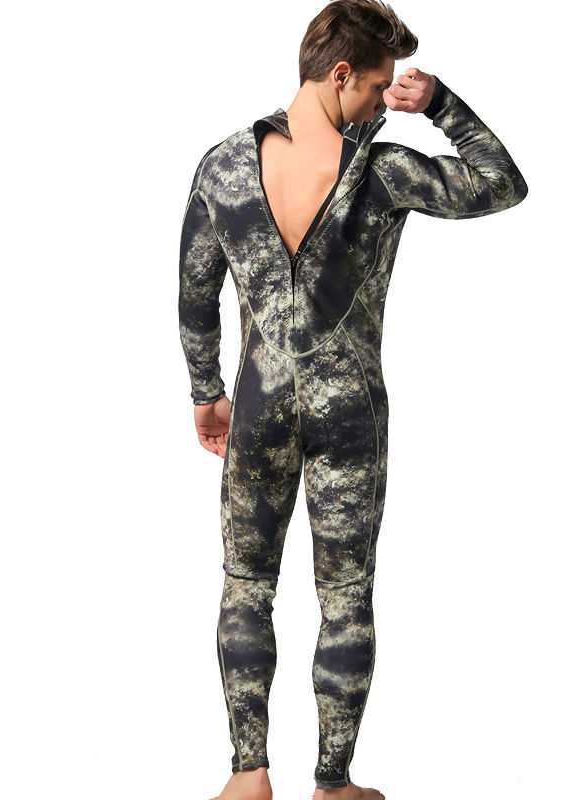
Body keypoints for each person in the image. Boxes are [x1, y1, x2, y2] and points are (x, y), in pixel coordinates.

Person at [177, 1, 528, 797]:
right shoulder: (384, 172)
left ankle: (248, 776)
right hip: (350, 415)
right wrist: (441, 104)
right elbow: (501, 183)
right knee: (345, 598)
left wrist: (207, 392)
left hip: (258, 408)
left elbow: (196, 294)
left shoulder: (223, 167)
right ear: (340, 75)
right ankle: (333, 785)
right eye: (375, 88)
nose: (381, 103)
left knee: (246, 585)